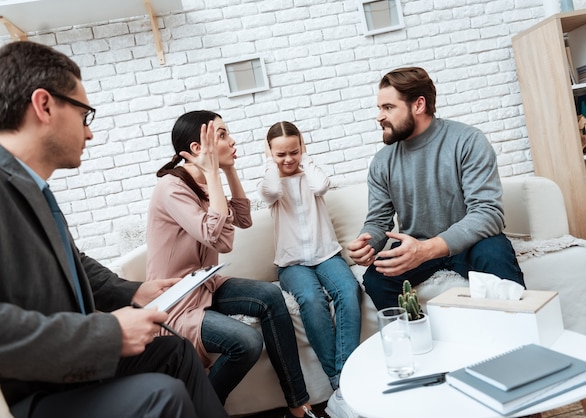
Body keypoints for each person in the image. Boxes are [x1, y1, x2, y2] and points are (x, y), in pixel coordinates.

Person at [0, 40, 227, 418]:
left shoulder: (29, 185)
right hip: (20, 392)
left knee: (176, 351)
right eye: (85, 116)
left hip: (58, 371)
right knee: (161, 395)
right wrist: (109, 335)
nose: (90, 134)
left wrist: (134, 291)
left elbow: (73, 262)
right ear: (44, 105)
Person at [146, 110, 321, 418]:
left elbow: (243, 219)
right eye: (223, 135)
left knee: (270, 296)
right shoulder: (171, 188)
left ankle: (297, 404)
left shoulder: (204, 185)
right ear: (199, 148)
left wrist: (227, 171)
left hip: (206, 284)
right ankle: (201, 411)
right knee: (246, 341)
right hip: (177, 299)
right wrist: (215, 174)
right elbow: (219, 238)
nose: (233, 140)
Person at [347, 66, 525, 311]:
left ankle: (519, 339)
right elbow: (378, 221)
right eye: (379, 108)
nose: (379, 116)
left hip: (470, 242)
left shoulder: (468, 141)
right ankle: (418, 337)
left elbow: (488, 214)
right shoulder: (381, 162)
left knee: (496, 257)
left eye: (388, 107)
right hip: (416, 243)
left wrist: (427, 249)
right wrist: (368, 243)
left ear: (418, 105)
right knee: (377, 279)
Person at [258, 121, 362, 418]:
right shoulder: (269, 183)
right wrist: (270, 162)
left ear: (301, 148)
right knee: (312, 299)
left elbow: (321, 186)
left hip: (326, 254)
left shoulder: (310, 176)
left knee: (348, 289)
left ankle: (345, 378)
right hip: (291, 264)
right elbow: (273, 188)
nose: (288, 159)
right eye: (281, 154)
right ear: (270, 154)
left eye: (294, 152)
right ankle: (340, 382)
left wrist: (305, 158)